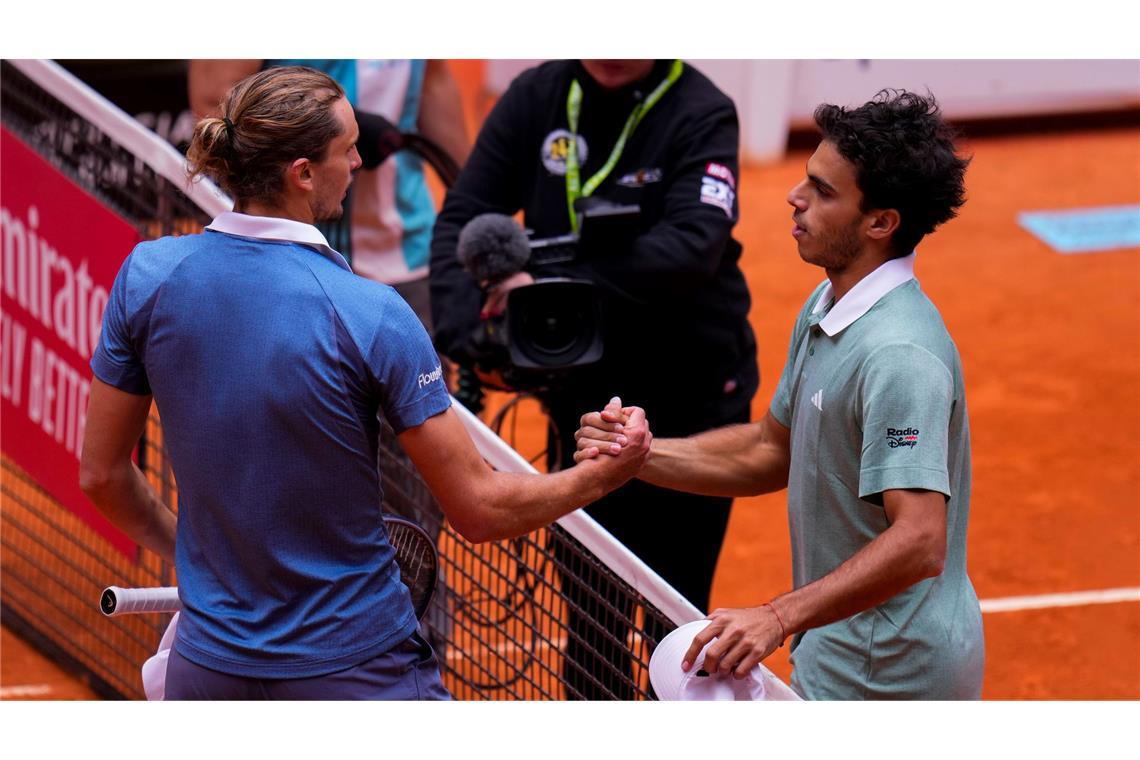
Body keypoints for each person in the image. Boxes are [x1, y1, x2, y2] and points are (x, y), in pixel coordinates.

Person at [79, 66, 650, 700]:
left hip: (207, 672)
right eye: (346, 147)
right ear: (302, 173)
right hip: (360, 678)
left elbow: (103, 476)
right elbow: (479, 510)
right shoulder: (370, 312)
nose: (358, 158)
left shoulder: (148, 276)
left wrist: (196, 567)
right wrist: (603, 474)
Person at [575, 89, 985, 700]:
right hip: (840, 652)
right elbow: (772, 450)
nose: (795, 197)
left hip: (895, 680)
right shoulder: (828, 306)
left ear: (880, 222)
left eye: (823, 191)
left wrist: (778, 616)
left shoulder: (899, 355)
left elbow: (921, 538)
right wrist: (641, 456)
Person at [429, 59, 759, 699]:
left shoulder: (701, 108)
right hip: (579, 398)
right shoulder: (537, 95)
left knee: (679, 614)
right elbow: (464, 218)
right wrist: (474, 339)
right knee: (588, 613)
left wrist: (550, 280)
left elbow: (693, 244)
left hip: (690, 395)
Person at [188, 58, 470, 332]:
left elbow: (433, 81)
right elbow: (214, 99)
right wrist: (326, 131)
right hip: (285, 261)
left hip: (407, 247)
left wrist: (474, 209)